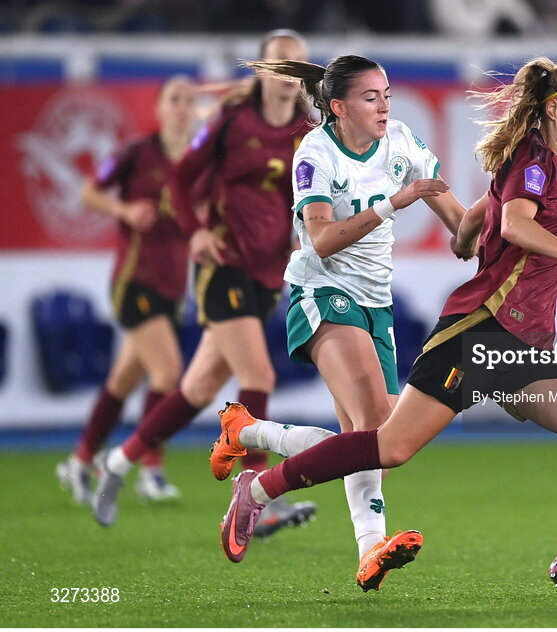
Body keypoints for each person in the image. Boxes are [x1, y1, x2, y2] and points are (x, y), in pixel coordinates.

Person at [211, 57, 557, 590]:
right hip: (477, 331)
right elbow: (517, 221)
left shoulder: (532, 160)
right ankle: (259, 491)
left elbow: (488, 209)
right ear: (554, 109)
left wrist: (466, 232)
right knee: (386, 444)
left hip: (519, 344)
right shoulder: (533, 160)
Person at [209, 53, 473, 591]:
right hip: (322, 290)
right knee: (380, 421)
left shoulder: (402, 142)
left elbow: (461, 229)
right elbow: (324, 241)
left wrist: (499, 227)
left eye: (387, 95)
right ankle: (343, 530)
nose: (384, 107)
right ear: (338, 106)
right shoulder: (316, 153)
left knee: (368, 434)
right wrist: (392, 204)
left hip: (377, 303)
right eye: (370, 97)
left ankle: (249, 432)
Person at [91, 30, 316, 536]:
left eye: (299, 65)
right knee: (258, 377)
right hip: (224, 265)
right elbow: (178, 179)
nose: (290, 74)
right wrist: (194, 233)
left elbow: (301, 197)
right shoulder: (232, 122)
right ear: (261, 70)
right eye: (281, 63)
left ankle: (118, 463)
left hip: (266, 272)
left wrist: (302, 236)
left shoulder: (307, 131)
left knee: (196, 391)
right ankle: (256, 495)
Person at [56, 76, 197, 506]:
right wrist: (124, 209)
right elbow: (87, 191)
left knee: (122, 381)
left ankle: (79, 462)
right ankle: (150, 471)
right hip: (134, 281)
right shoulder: (137, 153)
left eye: (190, 100)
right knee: (169, 373)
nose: (182, 107)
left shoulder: (199, 162)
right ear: (158, 108)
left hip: (173, 286)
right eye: (174, 99)